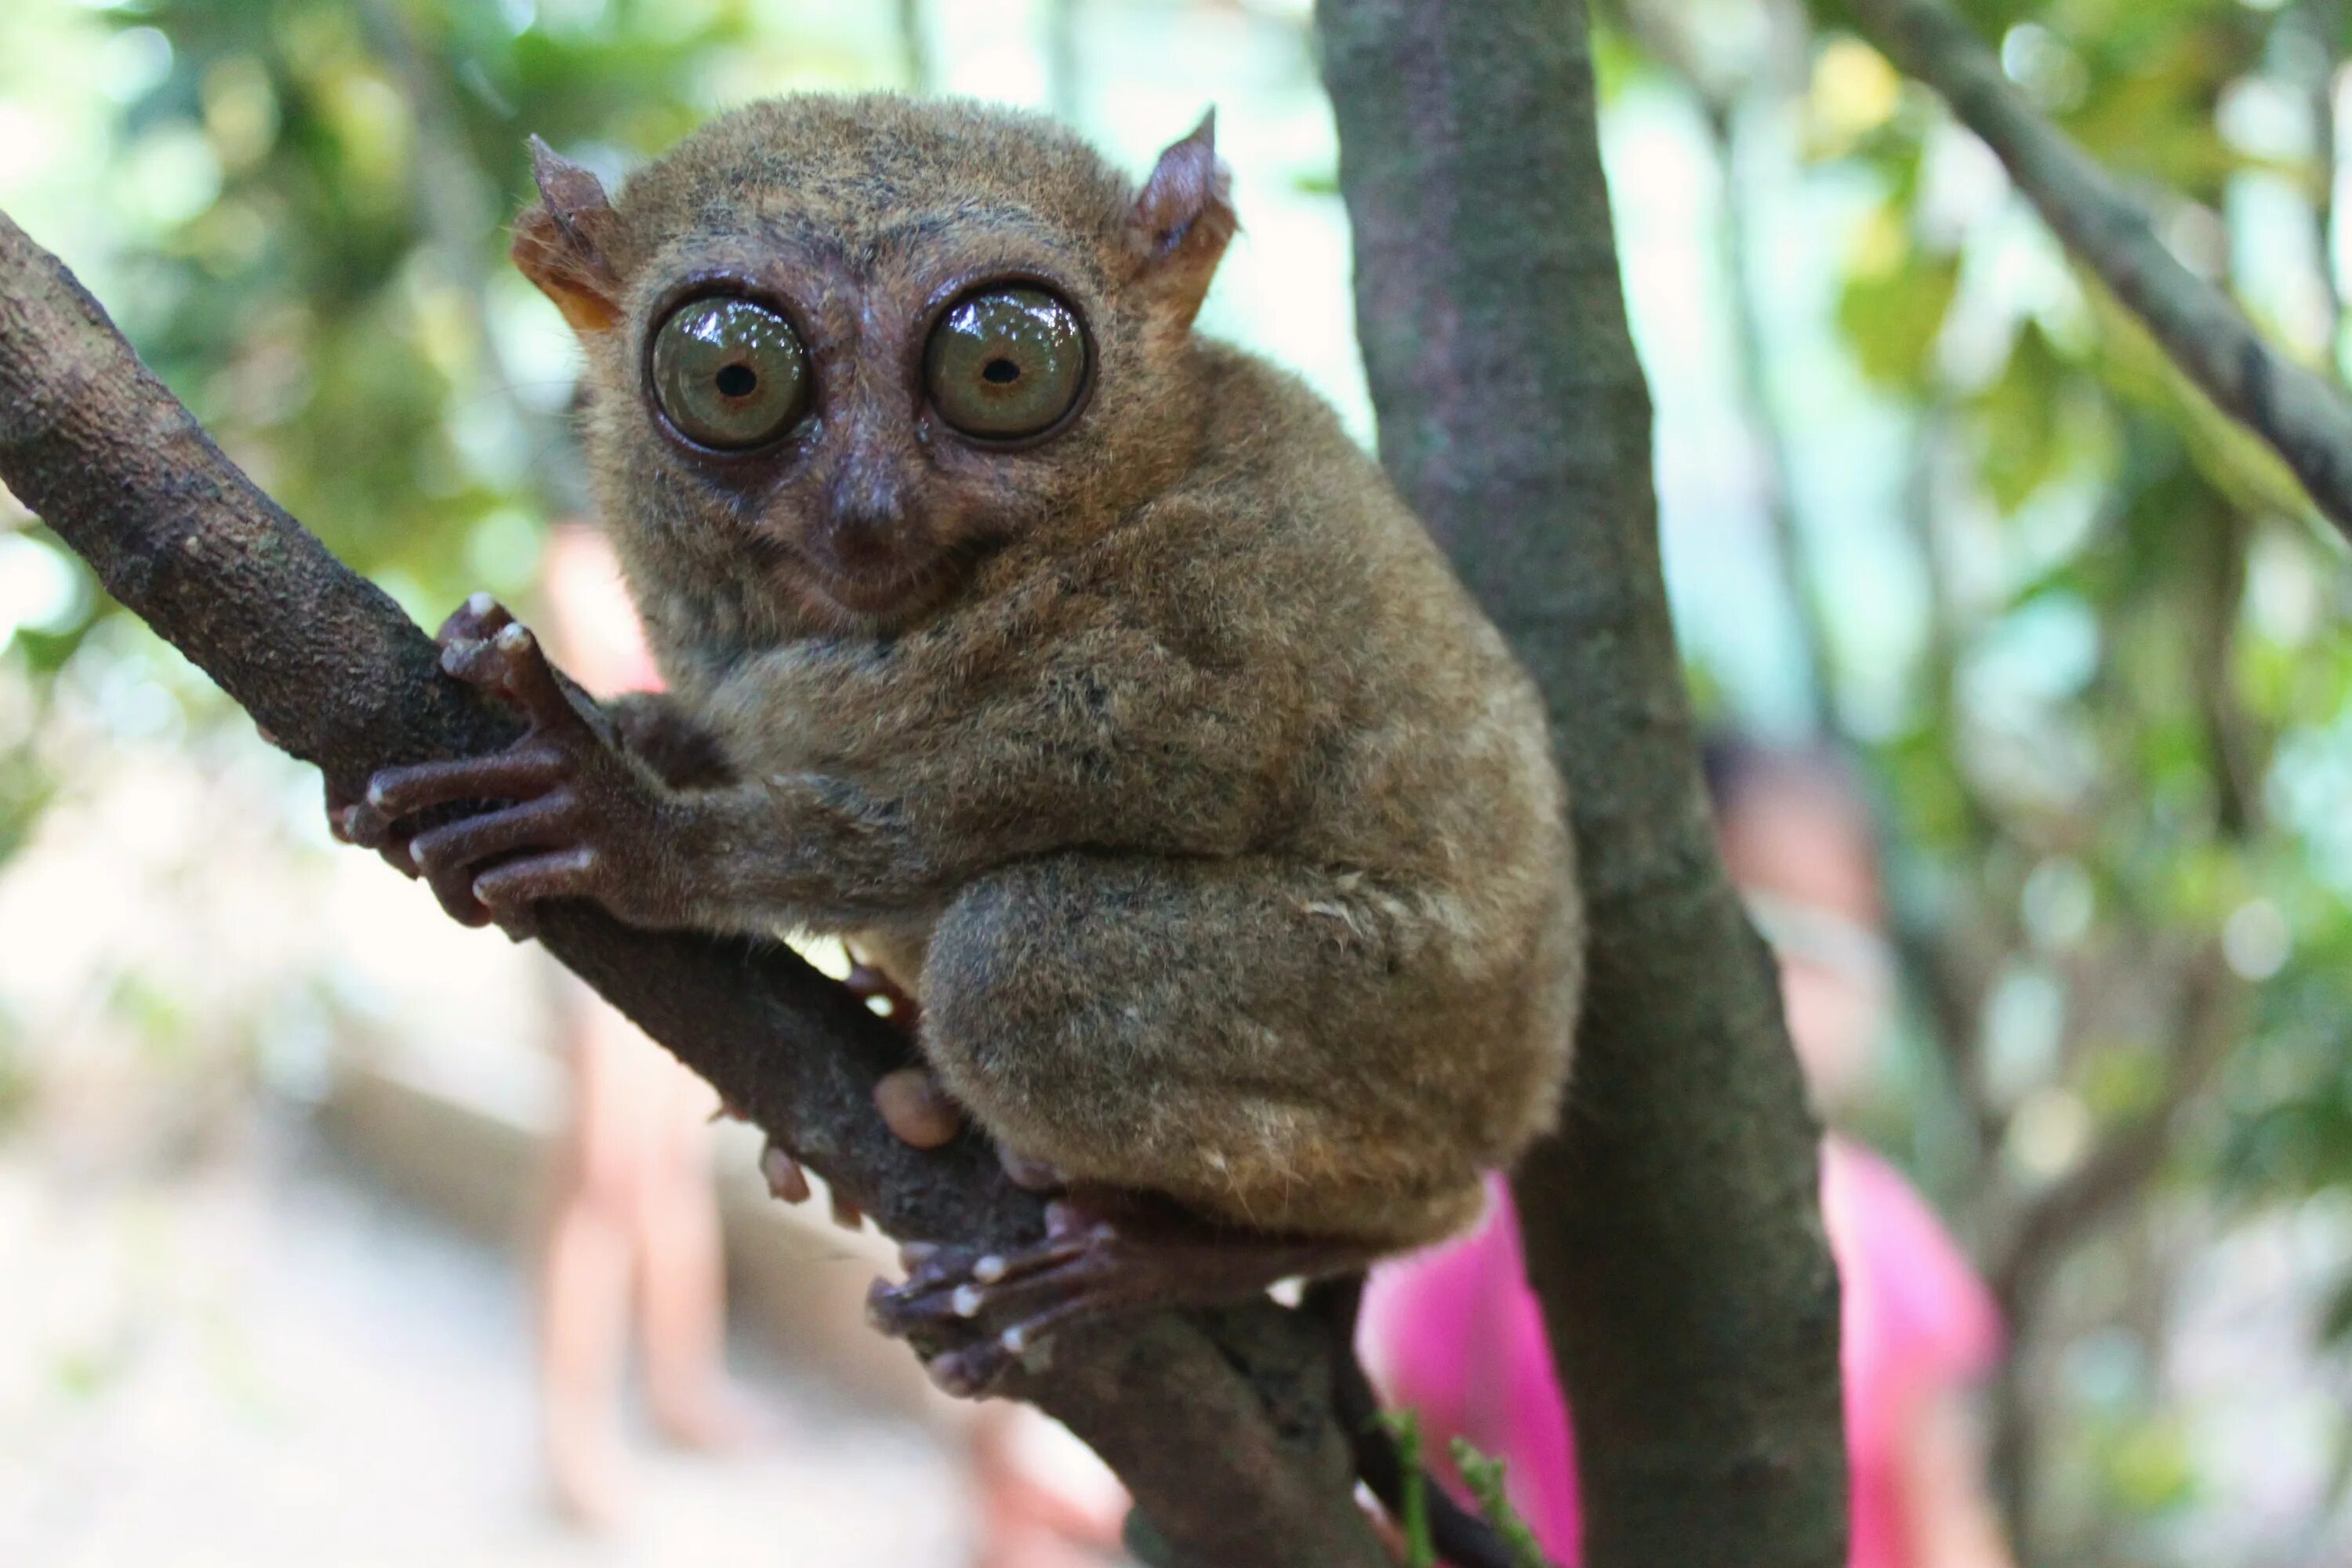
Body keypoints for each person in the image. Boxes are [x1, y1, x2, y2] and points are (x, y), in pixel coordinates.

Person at [1356, 740, 2016, 1568]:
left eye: (1827, 927)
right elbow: (1401, 1473)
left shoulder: (1891, 1239)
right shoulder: (1496, 1238)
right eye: (1756, 914)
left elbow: (1949, 1528)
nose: (1789, 968)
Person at [532, 524, 768, 1528]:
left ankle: (682, 1388)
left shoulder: (709, 568)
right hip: (600, 908)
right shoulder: (583, 564)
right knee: (607, 1172)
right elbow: (621, 733)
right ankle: (572, 1437)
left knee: (673, 1163)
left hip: (686, 902)